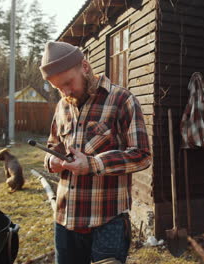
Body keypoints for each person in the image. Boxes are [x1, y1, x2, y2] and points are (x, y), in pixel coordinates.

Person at [39, 41, 151, 264]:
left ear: (85, 67)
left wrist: (93, 164)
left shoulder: (122, 100)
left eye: (69, 83)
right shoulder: (62, 106)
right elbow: (53, 146)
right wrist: (51, 160)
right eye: (59, 88)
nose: (66, 92)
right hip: (65, 220)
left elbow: (141, 155)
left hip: (107, 221)